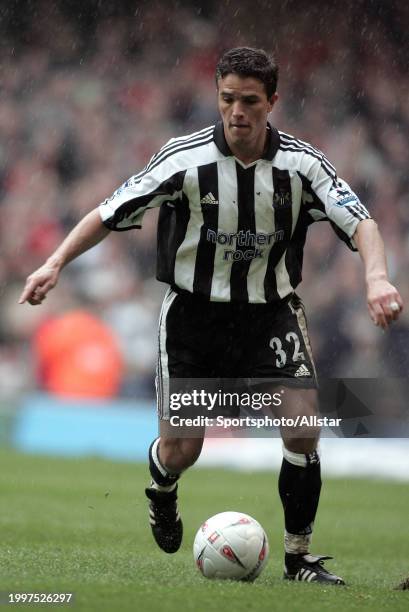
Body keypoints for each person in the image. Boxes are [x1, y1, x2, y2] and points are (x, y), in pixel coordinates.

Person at [20, 47, 403, 585]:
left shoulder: (303, 164)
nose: (237, 112)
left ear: (272, 101)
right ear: (217, 97)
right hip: (193, 319)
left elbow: (362, 221)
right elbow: (109, 211)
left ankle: (299, 559)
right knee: (184, 447)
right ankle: (162, 489)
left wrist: (377, 277)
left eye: (250, 101)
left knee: (302, 426)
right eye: (227, 99)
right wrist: (55, 262)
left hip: (270, 314)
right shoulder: (185, 159)